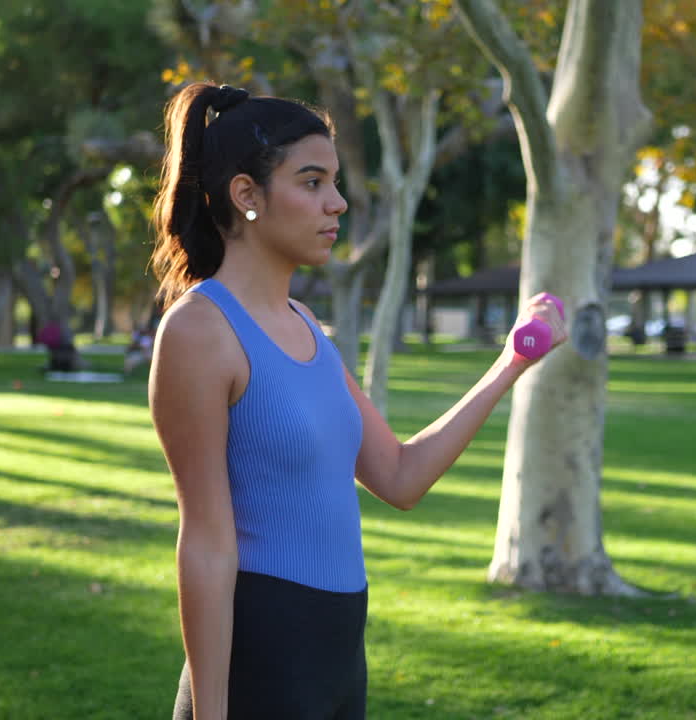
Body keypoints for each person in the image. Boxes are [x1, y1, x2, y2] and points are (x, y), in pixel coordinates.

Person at [147, 82, 566, 720]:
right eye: (312, 182)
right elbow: (205, 542)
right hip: (262, 661)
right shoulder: (199, 332)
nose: (338, 203)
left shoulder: (305, 323)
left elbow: (398, 476)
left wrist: (512, 361)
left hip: (339, 652)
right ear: (247, 195)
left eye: (335, 182)